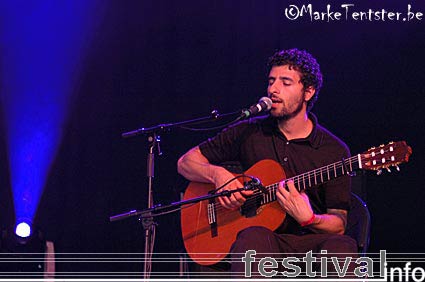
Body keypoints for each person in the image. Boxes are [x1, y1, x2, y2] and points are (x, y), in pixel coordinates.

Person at [177, 48, 358, 278]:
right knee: (252, 238)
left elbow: (339, 224)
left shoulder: (333, 150)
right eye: (271, 81)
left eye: (285, 82)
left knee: (342, 248)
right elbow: (185, 162)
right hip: (265, 242)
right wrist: (218, 176)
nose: (273, 89)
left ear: (308, 92)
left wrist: (310, 218)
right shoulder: (249, 132)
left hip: (312, 245)